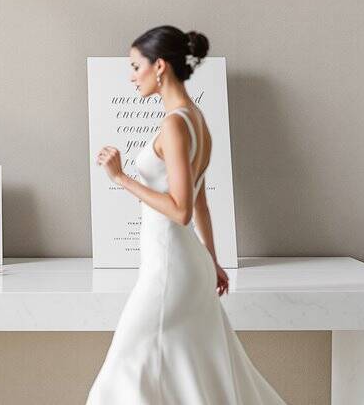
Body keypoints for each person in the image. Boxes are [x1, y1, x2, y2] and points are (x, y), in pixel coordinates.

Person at [86, 26, 288, 404]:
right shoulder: (197, 119)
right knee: (190, 369)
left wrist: (121, 178)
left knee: (124, 369)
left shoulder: (175, 123)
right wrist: (212, 260)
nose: (131, 77)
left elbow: (180, 209)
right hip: (187, 264)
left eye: (135, 66)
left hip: (169, 269)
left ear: (159, 66)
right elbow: (201, 204)